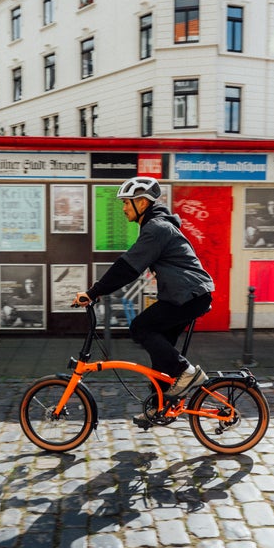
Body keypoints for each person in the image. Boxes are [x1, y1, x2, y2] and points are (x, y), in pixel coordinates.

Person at [74, 176, 214, 429]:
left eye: (126, 203)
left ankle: (187, 372)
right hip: (187, 295)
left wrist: (94, 292)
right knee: (160, 356)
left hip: (188, 295)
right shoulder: (157, 227)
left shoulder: (157, 228)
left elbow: (127, 267)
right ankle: (160, 407)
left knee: (140, 327)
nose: (123, 208)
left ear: (141, 202)